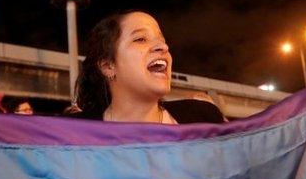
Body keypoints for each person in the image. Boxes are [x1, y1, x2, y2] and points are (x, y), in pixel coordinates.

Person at [73, 10, 226, 124]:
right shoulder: (73, 133)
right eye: (141, 39)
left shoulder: (203, 117)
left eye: (162, 40)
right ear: (108, 66)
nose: (163, 46)